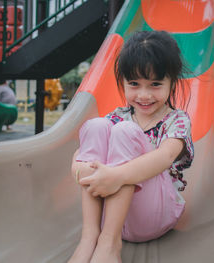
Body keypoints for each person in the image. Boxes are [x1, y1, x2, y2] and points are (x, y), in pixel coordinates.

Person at [68, 30, 194, 263]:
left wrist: (116, 176)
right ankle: (90, 236)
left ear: (172, 82)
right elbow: (82, 154)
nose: (144, 95)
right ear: (123, 82)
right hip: (112, 215)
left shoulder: (177, 121)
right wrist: (79, 169)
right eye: (134, 84)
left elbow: (165, 157)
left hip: (155, 215)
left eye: (155, 84)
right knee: (95, 126)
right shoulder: (117, 116)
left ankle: (109, 245)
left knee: (126, 132)